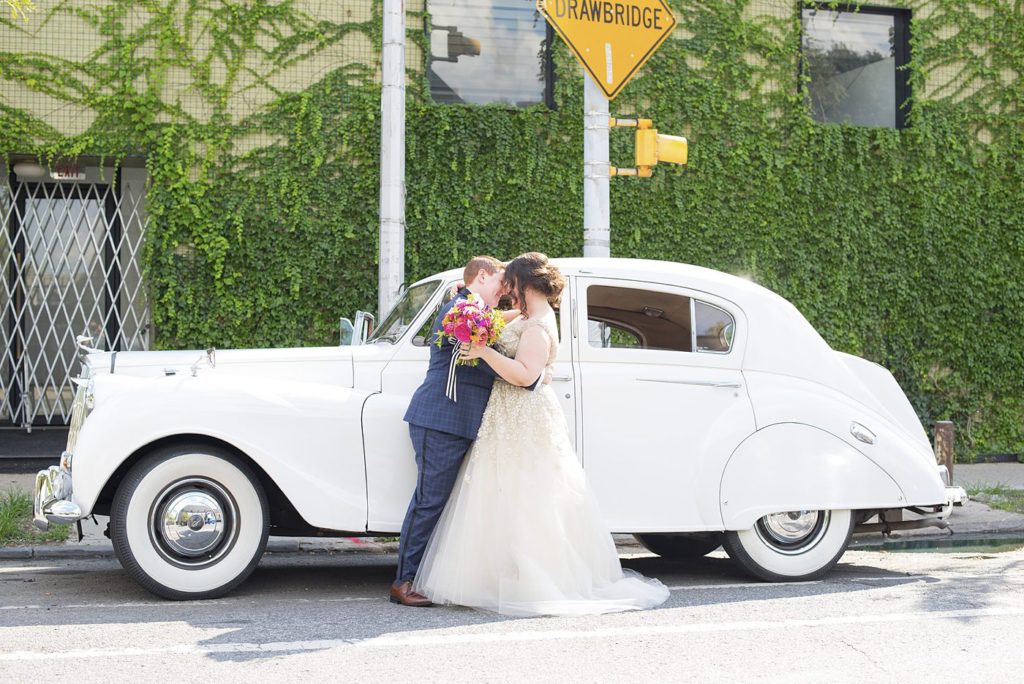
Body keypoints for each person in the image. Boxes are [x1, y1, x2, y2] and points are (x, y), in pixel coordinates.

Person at [413, 253, 670, 616]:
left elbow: (525, 376)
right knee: (502, 496)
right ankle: (502, 573)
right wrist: (465, 303)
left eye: (512, 285)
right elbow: (513, 342)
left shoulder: (538, 325)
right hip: (508, 413)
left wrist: (484, 350)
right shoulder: (530, 317)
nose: (507, 292)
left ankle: (531, 578)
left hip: (524, 415)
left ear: (526, 284)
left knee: (526, 497)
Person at [392, 256, 542, 606]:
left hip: (460, 421)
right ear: (482, 276)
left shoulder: (471, 308)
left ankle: (424, 576)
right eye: (501, 284)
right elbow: (485, 332)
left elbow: (493, 324)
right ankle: (404, 581)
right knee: (429, 502)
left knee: (447, 504)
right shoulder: (460, 310)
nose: (505, 292)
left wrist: (529, 311)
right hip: (441, 419)